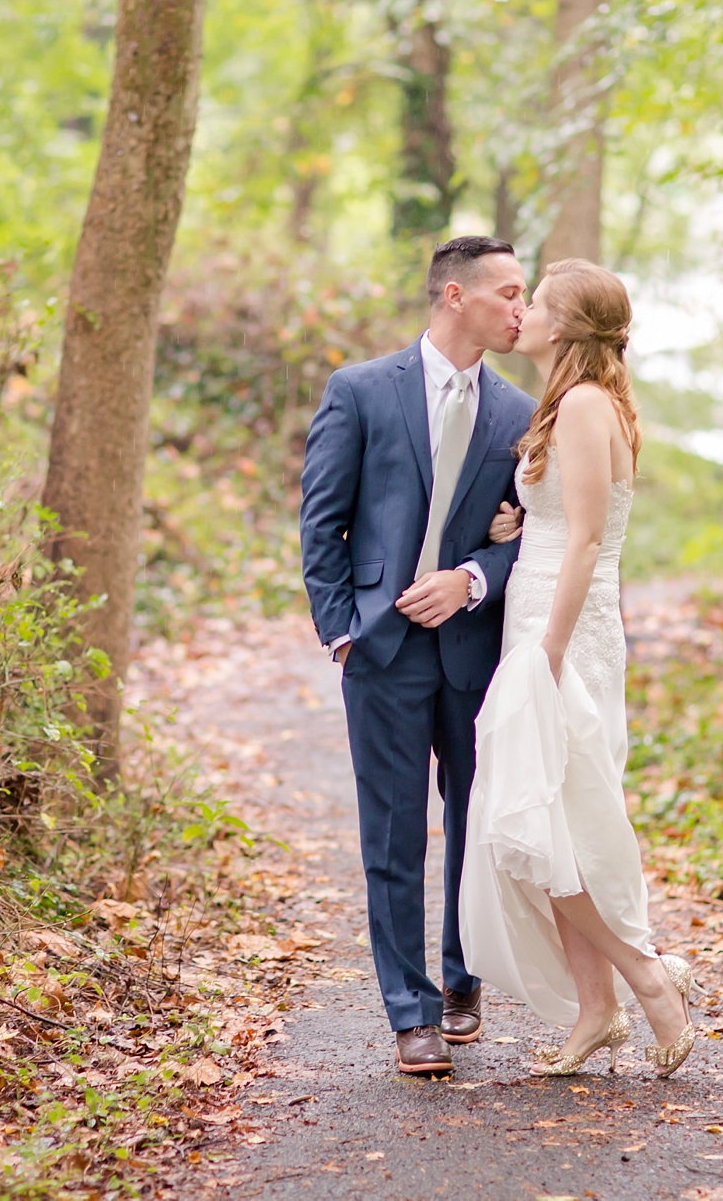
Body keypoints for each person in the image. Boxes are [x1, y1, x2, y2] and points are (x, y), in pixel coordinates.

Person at [458, 259, 702, 1079]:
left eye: (536, 303)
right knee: (545, 820)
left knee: (543, 819)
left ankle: (646, 979)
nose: (520, 311)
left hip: (564, 632)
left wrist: (550, 653)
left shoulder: (590, 405)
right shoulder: (563, 406)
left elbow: (591, 540)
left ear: (561, 327)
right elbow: (558, 522)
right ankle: (597, 1012)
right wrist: (509, 530)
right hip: (534, 617)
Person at [299, 236, 537, 1076]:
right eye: (509, 293)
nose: (522, 309)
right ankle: (411, 1012)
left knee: (479, 821)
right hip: (383, 649)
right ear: (453, 296)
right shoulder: (360, 391)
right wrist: (342, 627)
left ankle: (462, 975)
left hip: (478, 652)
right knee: (395, 834)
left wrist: (472, 577)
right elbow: (321, 520)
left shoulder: (520, 414)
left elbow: (538, 538)